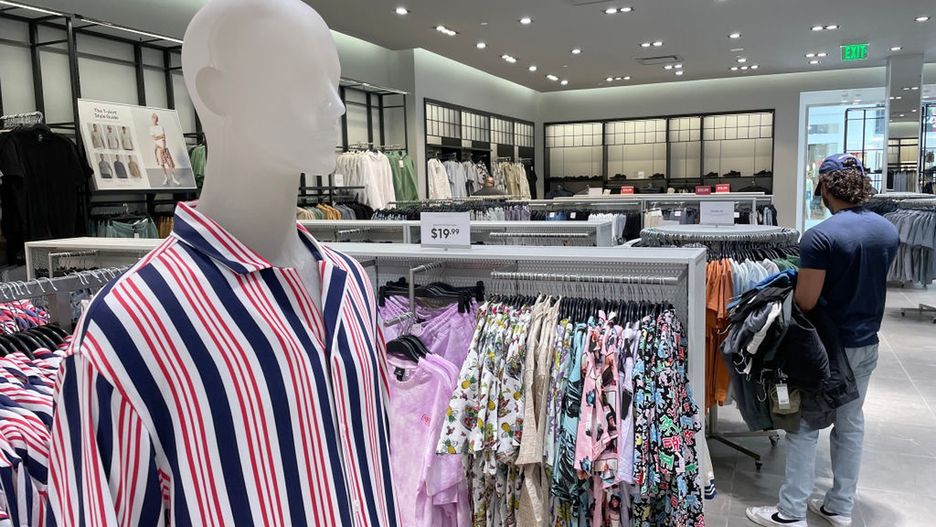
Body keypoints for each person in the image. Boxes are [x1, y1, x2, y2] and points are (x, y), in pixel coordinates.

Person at [746, 154, 898, 527]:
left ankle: (791, 512)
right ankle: (840, 506)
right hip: (866, 342)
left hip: (826, 349)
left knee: (804, 427)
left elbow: (807, 300)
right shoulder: (887, 230)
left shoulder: (821, 236)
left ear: (827, 186)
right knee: (850, 423)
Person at [150, 113, 179, 185]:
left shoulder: (161, 127)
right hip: (158, 148)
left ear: (157, 119)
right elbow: (154, 138)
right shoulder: (151, 128)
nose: (154, 120)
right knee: (162, 164)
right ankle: (166, 178)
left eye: (156, 118)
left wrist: (163, 146)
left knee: (170, 164)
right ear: (152, 119)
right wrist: (160, 136)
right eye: (153, 118)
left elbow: (164, 137)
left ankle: (173, 178)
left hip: (164, 148)